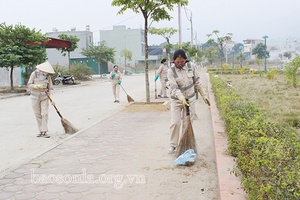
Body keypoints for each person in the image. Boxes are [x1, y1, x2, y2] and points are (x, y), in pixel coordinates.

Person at [167, 49, 210, 154]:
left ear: (185, 60)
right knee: (176, 122)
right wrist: (181, 97)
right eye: (177, 62)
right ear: (173, 61)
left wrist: (203, 94)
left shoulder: (191, 67)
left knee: (188, 123)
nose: (180, 64)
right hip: (177, 100)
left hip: (190, 99)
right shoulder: (171, 71)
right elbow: (173, 87)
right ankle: (173, 145)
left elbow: (197, 82)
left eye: (182, 62)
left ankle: (184, 143)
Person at [27, 61, 55, 138]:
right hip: (34, 97)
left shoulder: (47, 76)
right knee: (37, 114)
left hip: (44, 97)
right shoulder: (34, 74)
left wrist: (52, 98)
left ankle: (44, 131)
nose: (46, 73)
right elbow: (29, 84)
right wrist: (37, 86)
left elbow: (51, 87)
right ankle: (40, 130)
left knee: (44, 113)